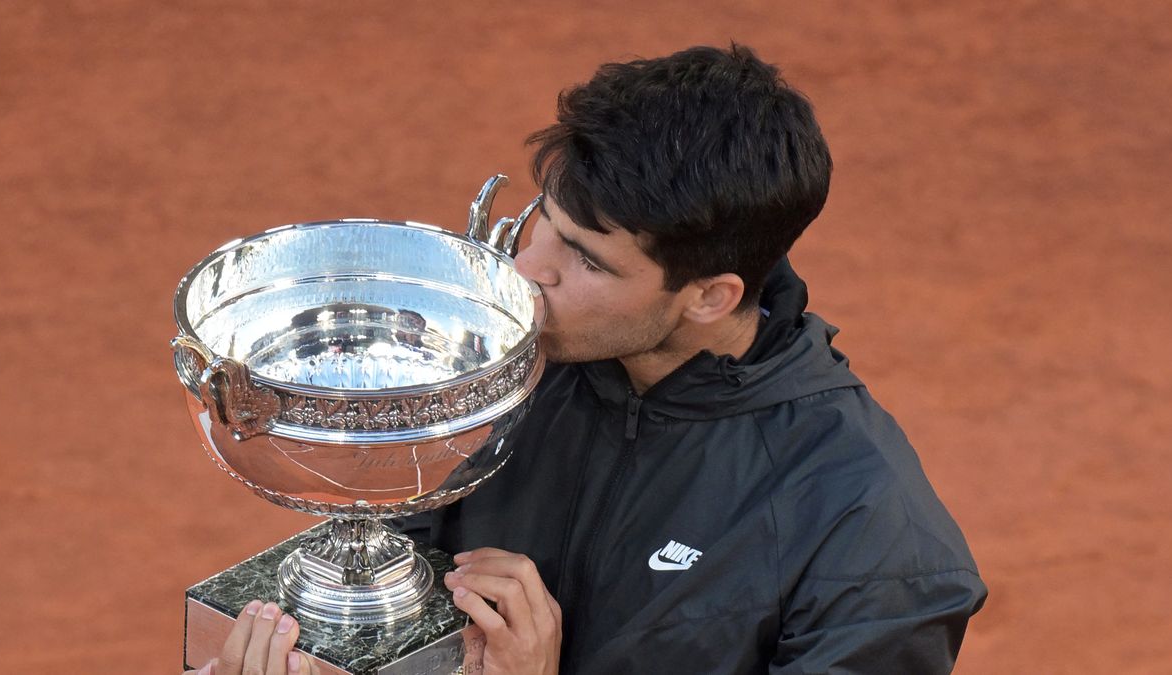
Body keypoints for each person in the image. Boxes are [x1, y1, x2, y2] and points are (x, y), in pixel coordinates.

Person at [190, 43, 986, 675]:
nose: (531, 269)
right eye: (546, 219)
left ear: (709, 296)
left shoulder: (873, 543)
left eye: (589, 261)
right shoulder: (497, 373)